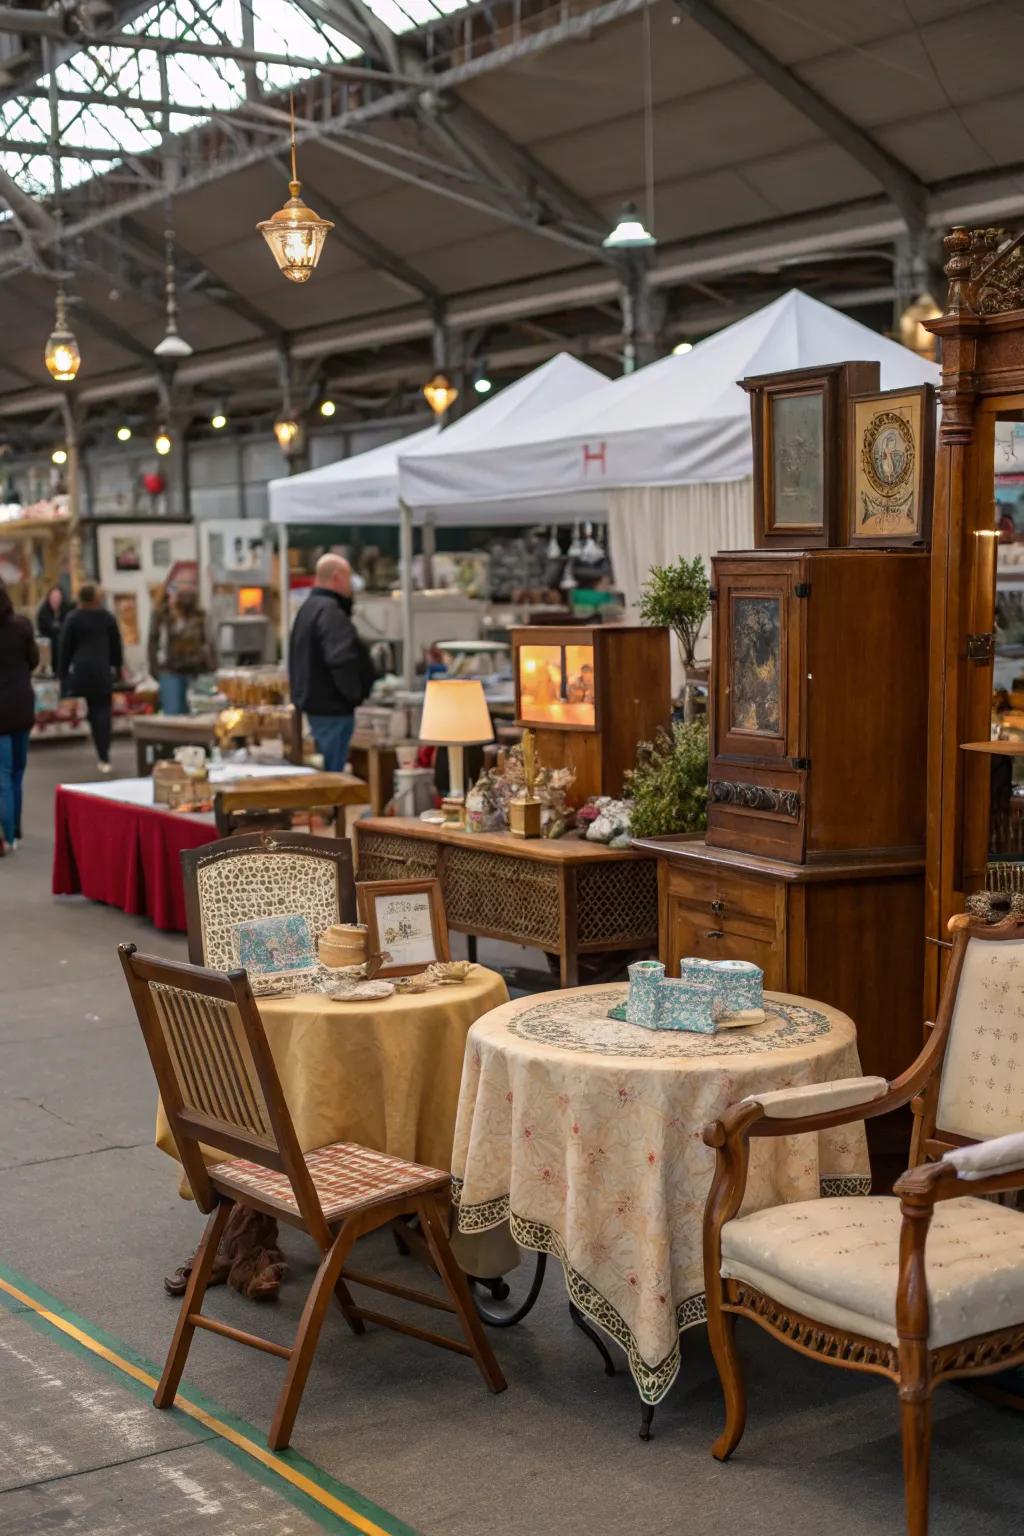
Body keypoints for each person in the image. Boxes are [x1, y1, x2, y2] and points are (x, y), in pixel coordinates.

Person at [288, 553, 375, 772]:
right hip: (332, 710)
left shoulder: (308, 608)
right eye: (348, 579)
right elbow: (341, 659)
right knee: (333, 779)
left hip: (315, 707)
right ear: (337, 578)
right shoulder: (330, 612)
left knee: (323, 775)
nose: (350, 587)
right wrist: (354, 695)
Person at [59, 584, 124, 774]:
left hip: (82, 670)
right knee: (103, 710)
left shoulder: (73, 618)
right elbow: (116, 645)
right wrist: (118, 668)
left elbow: (65, 648)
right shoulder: (107, 618)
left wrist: (62, 674)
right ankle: (105, 752)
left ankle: (100, 749)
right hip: (102, 669)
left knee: (92, 709)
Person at [0, 578, 39, 854]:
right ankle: (16, 831)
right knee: (17, 772)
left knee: (1, 775)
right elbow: (33, 660)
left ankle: (7, 836)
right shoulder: (22, 626)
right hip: (22, 705)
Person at [148, 585, 214, 715]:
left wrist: (212, 666)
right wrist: (154, 667)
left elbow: (207, 641)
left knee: (199, 714)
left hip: (197, 670)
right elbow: (153, 642)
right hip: (169, 671)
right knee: (174, 715)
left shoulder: (199, 616)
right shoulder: (162, 615)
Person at [35, 584, 71, 670]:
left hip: (63, 638)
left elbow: (69, 625)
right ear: (49, 598)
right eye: (53, 598)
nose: (55, 600)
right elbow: (50, 626)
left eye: (58, 598)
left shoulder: (66, 608)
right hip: (48, 638)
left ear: (62, 599)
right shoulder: (44, 610)